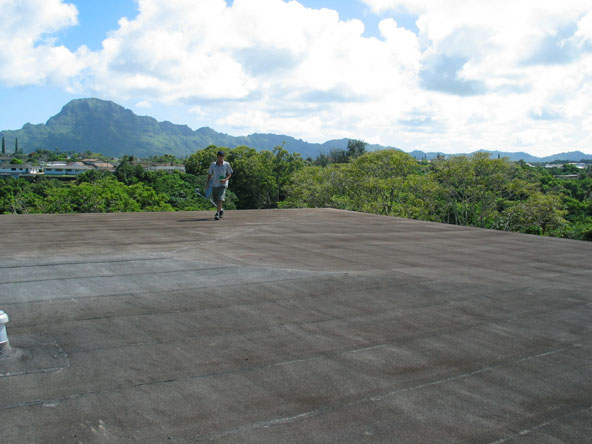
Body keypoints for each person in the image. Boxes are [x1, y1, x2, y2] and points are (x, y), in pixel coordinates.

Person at [206, 150, 233, 220]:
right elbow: (209, 174)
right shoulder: (213, 164)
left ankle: (217, 213)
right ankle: (221, 210)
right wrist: (207, 184)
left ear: (223, 157)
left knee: (220, 198)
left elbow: (230, 174)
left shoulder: (227, 164)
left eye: (221, 157)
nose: (220, 158)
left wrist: (225, 179)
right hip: (214, 184)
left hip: (223, 184)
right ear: (217, 157)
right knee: (215, 200)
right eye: (219, 157)